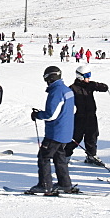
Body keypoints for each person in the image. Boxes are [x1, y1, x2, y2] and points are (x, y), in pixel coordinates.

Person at [29, 66, 76, 195]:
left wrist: (38, 115)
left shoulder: (56, 92)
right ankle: (65, 184)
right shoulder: (67, 90)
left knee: (44, 156)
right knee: (59, 157)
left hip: (55, 132)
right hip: (65, 132)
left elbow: (51, 114)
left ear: (50, 78)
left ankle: (45, 185)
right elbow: (71, 110)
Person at [67, 66, 109, 166]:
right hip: (80, 117)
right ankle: (65, 156)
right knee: (75, 137)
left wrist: (95, 85)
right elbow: (66, 103)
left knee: (92, 136)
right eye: (87, 76)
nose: (89, 78)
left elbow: (105, 88)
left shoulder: (90, 85)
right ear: (80, 76)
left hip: (91, 116)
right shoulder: (72, 88)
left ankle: (91, 156)